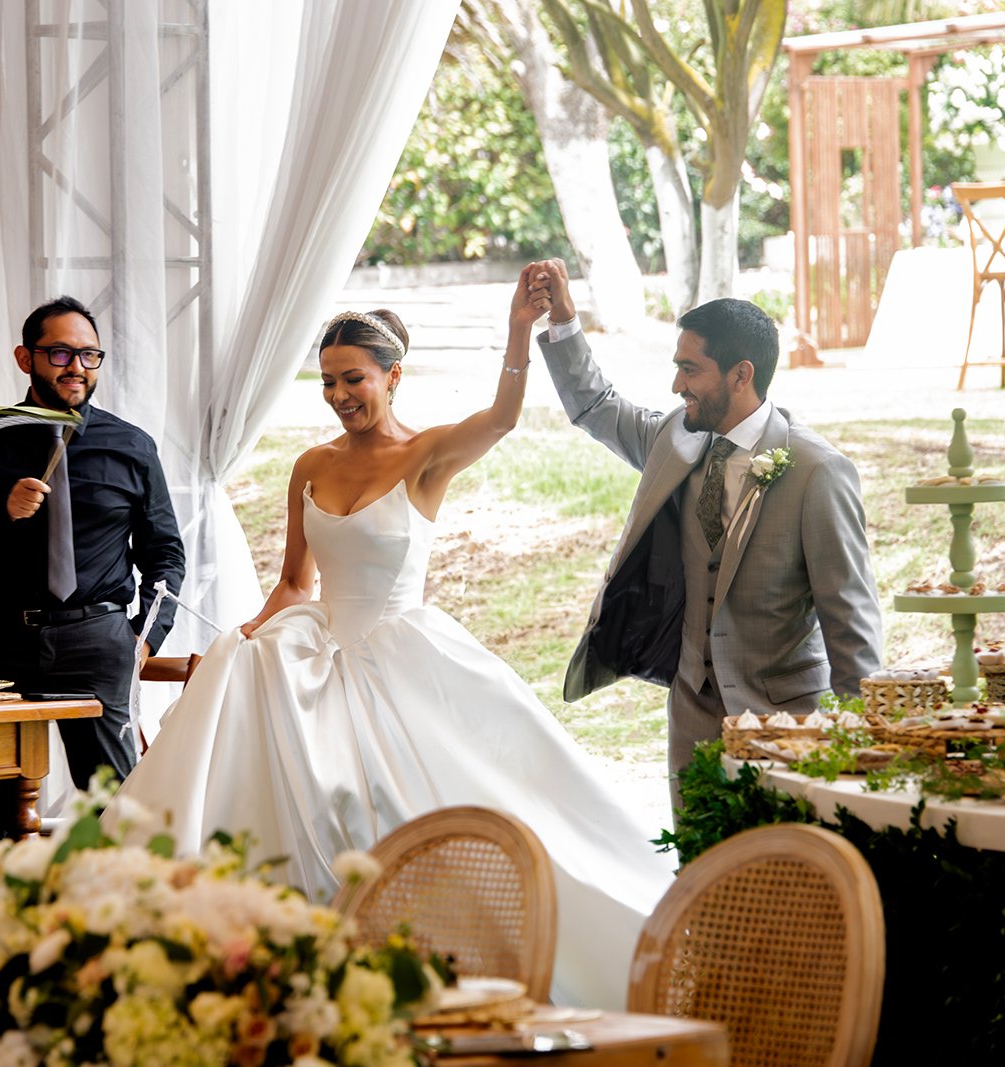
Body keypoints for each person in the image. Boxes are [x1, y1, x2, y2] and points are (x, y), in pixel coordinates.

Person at [107, 272, 675, 1009]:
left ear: (393, 376)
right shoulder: (311, 465)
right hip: (314, 657)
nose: (339, 395)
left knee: (415, 805)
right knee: (290, 793)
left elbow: (502, 418)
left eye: (354, 379)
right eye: (328, 382)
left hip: (403, 658)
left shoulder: (427, 455)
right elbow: (295, 581)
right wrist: (244, 639)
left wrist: (518, 329)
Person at [533, 259, 882, 807]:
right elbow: (596, 406)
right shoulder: (676, 439)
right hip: (693, 713)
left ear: (741, 375)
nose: (677, 385)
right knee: (699, 855)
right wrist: (563, 321)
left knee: (785, 857)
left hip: (788, 721)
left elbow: (850, 618)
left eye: (690, 370)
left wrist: (860, 744)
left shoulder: (818, 471)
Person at [0, 296, 186, 835]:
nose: (77, 366)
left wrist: (144, 637)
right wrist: (2, 512)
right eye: (60, 353)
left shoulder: (131, 446)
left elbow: (164, 552)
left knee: (116, 808)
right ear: (24, 358)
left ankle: (116, 890)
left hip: (98, 640)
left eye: (89, 355)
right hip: (0, 641)